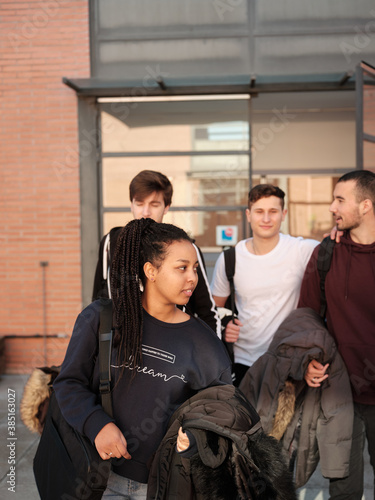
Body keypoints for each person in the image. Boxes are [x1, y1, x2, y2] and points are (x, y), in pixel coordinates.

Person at [54, 218, 232, 499]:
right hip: (97, 479)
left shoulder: (205, 344)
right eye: (182, 268)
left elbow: (222, 417)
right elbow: (68, 383)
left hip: (165, 485)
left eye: (195, 268)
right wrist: (97, 424)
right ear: (150, 270)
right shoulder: (100, 319)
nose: (193, 278)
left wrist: (197, 440)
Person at [298, 169, 375, 500]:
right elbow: (308, 316)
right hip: (340, 391)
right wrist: (309, 360)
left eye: (340, 200)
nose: (332, 207)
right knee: (343, 488)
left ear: (366, 205)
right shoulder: (326, 254)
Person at [210, 184, 319, 386]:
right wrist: (225, 326)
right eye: (259, 212)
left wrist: (339, 233)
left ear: (283, 214)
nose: (266, 219)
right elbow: (214, 309)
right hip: (243, 361)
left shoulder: (301, 250)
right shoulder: (230, 259)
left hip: (288, 359)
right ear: (249, 214)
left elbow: (336, 250)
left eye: (273, 212)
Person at [92, 170, 221, 336]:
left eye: (154, 205)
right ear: (131, 205)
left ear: (166, 207)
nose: (146, 212)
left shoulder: (185, 248)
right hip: (123, 346)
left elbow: (206, 311)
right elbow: (99, 300)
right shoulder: (111, 242)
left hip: (172, 345)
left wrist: (216, 356)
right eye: (139, 204)